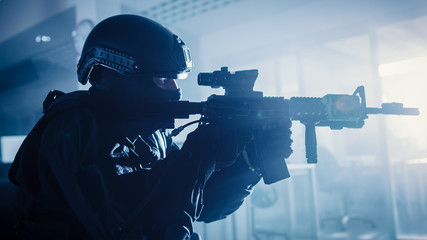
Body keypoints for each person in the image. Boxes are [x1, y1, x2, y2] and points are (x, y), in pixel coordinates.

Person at [8, 15, 292, 239]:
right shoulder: (72, 126)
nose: (175, 90)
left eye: (176, 80)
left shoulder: (151, 133)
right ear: (111, 75)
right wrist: (197, 157)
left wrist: (248, 164)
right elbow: (133, 229)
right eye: (162, 80)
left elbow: (199, 204)